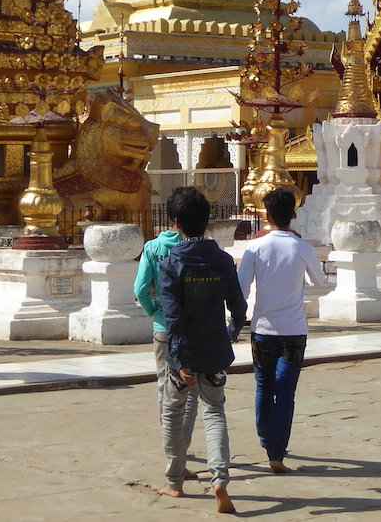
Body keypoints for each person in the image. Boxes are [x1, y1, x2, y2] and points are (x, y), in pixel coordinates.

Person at [156, 187, 247, 514]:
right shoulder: (222, 260)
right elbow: (239, 308)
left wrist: (179, 359)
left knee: (173, 411)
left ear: (175, 222)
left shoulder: (171, 262)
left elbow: (173, 317)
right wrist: (229, 335)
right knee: (214, 411)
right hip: (213, 350)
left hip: (184, 351)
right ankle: (220, 478)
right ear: (207, 221)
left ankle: (174, 480)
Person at [237, 189, 329, 474]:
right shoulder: (302, 248)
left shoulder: (255, 248)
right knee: (286, 391)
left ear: (267, 215)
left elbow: (242, 288)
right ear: (293, 214)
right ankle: (277, 452)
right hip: (293, 330)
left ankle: (267, 439)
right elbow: (322, 284)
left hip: (263, 329)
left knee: (264, 385)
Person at [136, 200, 198, 484]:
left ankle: (170, 445)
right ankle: (180, 448)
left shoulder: (152, 248)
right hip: (192, 326)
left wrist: (154, 311)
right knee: (190, 393)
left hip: (163, 326)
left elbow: (140, 289)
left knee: (165, 384)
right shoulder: (193, 248)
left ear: (172, 219)